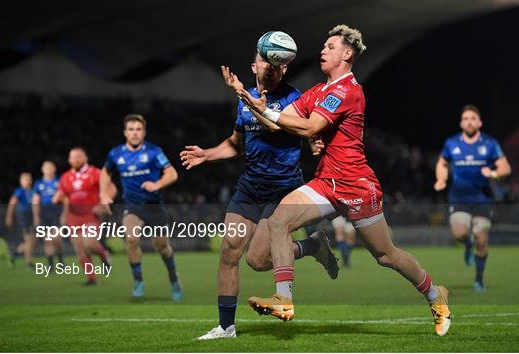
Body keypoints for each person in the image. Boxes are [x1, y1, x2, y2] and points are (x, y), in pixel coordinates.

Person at [230, 24, 452, 336]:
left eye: (330, 47)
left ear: (346, 54)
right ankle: (284, 298)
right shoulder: (319, 91)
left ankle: (434, 295)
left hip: (356, 184)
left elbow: (308, 127)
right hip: (326, 182)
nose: (323, 50)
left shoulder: (348, 90)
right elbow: (279, 125)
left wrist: (277, 117)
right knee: (279, 220)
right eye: (324, 46)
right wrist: (247, 98)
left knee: (386, 255)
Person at [182, 51, 338, 340]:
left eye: (278, 64)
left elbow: (274, 124)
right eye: (266, 61)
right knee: (229, 248)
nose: (272, 67)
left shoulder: (295, 98)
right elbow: (235, 143)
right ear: (254, 65)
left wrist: (241, 92)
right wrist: (207, 154)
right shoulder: (246, 99)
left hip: (283, 191)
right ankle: (226, 327)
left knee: (258, 260)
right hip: (250, 188)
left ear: (285, 69)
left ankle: (312, 248)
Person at [100, 114, 182, 300]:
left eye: (138, 129)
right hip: (132, 206)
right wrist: (103, 194)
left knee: (162, 246)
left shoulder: (154, 151)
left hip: (154, 206)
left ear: (143, 132)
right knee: (131, 239)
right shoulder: (116, 153)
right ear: (125, 132)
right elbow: (105, 172)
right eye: (131, 129)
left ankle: (174, 278)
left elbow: (172, 173)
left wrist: (157, 185)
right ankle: (138, 281)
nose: (135, 133)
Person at [434, 104, 511, 291]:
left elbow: (505, 167)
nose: (469, 121)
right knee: (459, 234)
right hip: (459, 199)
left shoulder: (490, 143)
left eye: (473, 118)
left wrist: (492, 174)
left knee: (482, 239)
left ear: (480, 122)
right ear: (461, 123)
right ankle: (468, 245)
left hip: (482, 199)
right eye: (466, 118)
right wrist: (441, 179)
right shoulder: (452, 143)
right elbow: (442, 163)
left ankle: (479, 279)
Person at [57, 147, 114, 285]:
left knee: (89, 243)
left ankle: (103, 254)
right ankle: (92, 279)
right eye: (73, 157)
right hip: (73, 217)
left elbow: (111, 189)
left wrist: (102, 204)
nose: (76, 159)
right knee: (80, 249)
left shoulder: (96, 173)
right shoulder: (65, 177)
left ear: (85, 158)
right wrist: (63, 215)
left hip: (91, 216)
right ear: (69, 160)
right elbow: (64, 198)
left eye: (79, 156)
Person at [32, 161, 65, 271]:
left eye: (50, 166)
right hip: (44, 214)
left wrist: (65, 214)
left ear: (54, 169)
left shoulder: (59, 181)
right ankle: (51, 265)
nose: (48, 169)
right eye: (46, 167)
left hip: (57, 212)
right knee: (47, 239)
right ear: (42, 169)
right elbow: (35, 200)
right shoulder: (38, 183)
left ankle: (60, 260)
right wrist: (36, 216)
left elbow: (65, 199)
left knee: (57, 238)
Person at [5, 172, 35, 268]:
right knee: (28, 239)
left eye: (29, 179)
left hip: (32, 217)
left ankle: (14, 254)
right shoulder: (20, 191)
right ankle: (29, 263)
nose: (28, 181)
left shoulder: (33, 191)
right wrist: (9, 216)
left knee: (32, 240)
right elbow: (12, 203)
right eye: (25, 179)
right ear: (21, 181)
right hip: (23, 217)